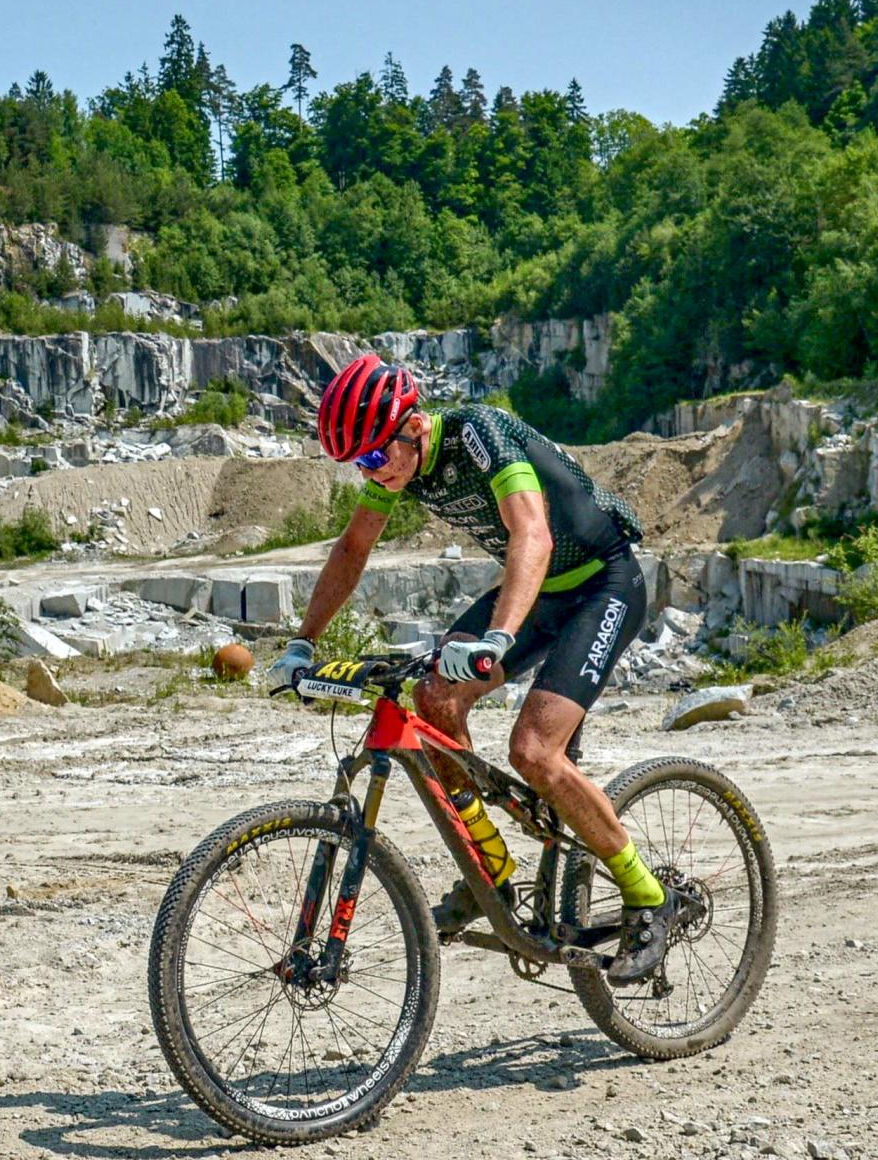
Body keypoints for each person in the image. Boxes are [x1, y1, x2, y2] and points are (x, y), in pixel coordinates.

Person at [266, 354, 677, 984]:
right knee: (434, 700)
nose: (371, 472)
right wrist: (301, 644)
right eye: (360, 464)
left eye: (375, 457)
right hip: (539, 590)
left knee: (535, 750)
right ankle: (490, 869)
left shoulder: (481, 434)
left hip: (603, 584)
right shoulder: (395, 465)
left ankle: (649, 895)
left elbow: (532, 537)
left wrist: (497, 638)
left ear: (411, 426)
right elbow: (353, 550)